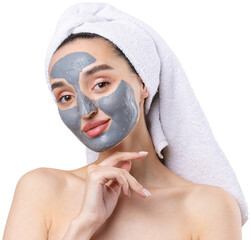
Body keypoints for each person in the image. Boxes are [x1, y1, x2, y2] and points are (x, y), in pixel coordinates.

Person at [3, 3, 245, 240]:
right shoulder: (41, 190)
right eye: (66, 97)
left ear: (143, 83)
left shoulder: (209, 208)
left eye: (100, 84)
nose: (85, 110)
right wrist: (84, 225)